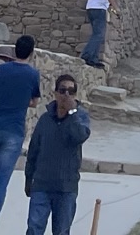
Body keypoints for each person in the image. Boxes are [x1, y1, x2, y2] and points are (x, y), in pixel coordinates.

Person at [0, 36, 41, 235]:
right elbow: (34, 102)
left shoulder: (1, 69)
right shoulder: (32, 74)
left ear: (14, 51)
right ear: (31, 53)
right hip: (13, 129)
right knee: (0, 182)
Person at [21, 75, 90, 235]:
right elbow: (33, 150)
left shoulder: (80, 117)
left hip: (66, 188)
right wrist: (28, 178)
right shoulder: (45, 119)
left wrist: (72, 113)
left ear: (75, 95)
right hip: (42, 185)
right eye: (62, 90)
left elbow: (80, 136)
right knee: (34, 228)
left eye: (71, 91)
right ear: (55, 93)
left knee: (61, 231)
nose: (66, 95)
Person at [81, 0, 120, 68]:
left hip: (91, 7)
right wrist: (115, 7)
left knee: (96, 34)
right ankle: (88, 56)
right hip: (99, 8)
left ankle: (93, 58)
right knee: (98, 34)